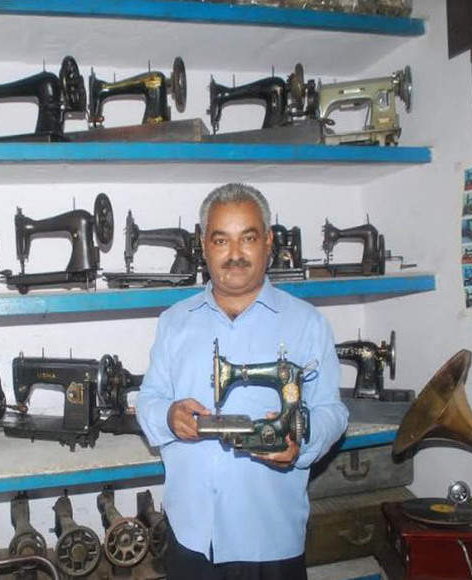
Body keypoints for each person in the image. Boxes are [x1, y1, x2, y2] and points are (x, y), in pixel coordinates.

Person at [136, 183, 349, 580]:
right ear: (204, 245)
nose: (234, 255)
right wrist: (168, 416)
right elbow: (148, 398)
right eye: (221, 240)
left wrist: (300, 436)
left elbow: (332, 411)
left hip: (271, 538)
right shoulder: (174, 323)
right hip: (191, 537)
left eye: (248, 238)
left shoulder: (307, 323)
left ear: (268, 241)